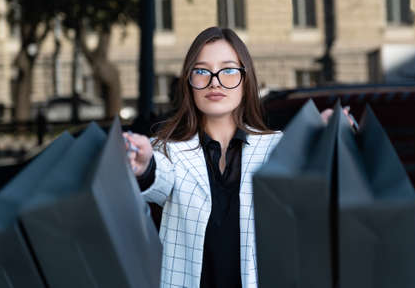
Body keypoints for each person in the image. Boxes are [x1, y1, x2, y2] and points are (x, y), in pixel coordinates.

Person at [123, 26, 352, 288]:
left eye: (229, 69)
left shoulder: (277, 147)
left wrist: (327, 132)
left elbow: (316, 176)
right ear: (189, 82)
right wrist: (143, 164)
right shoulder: (169, 150)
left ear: (246, 79)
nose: (215, 81)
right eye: (201, 71)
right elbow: (158, 175)